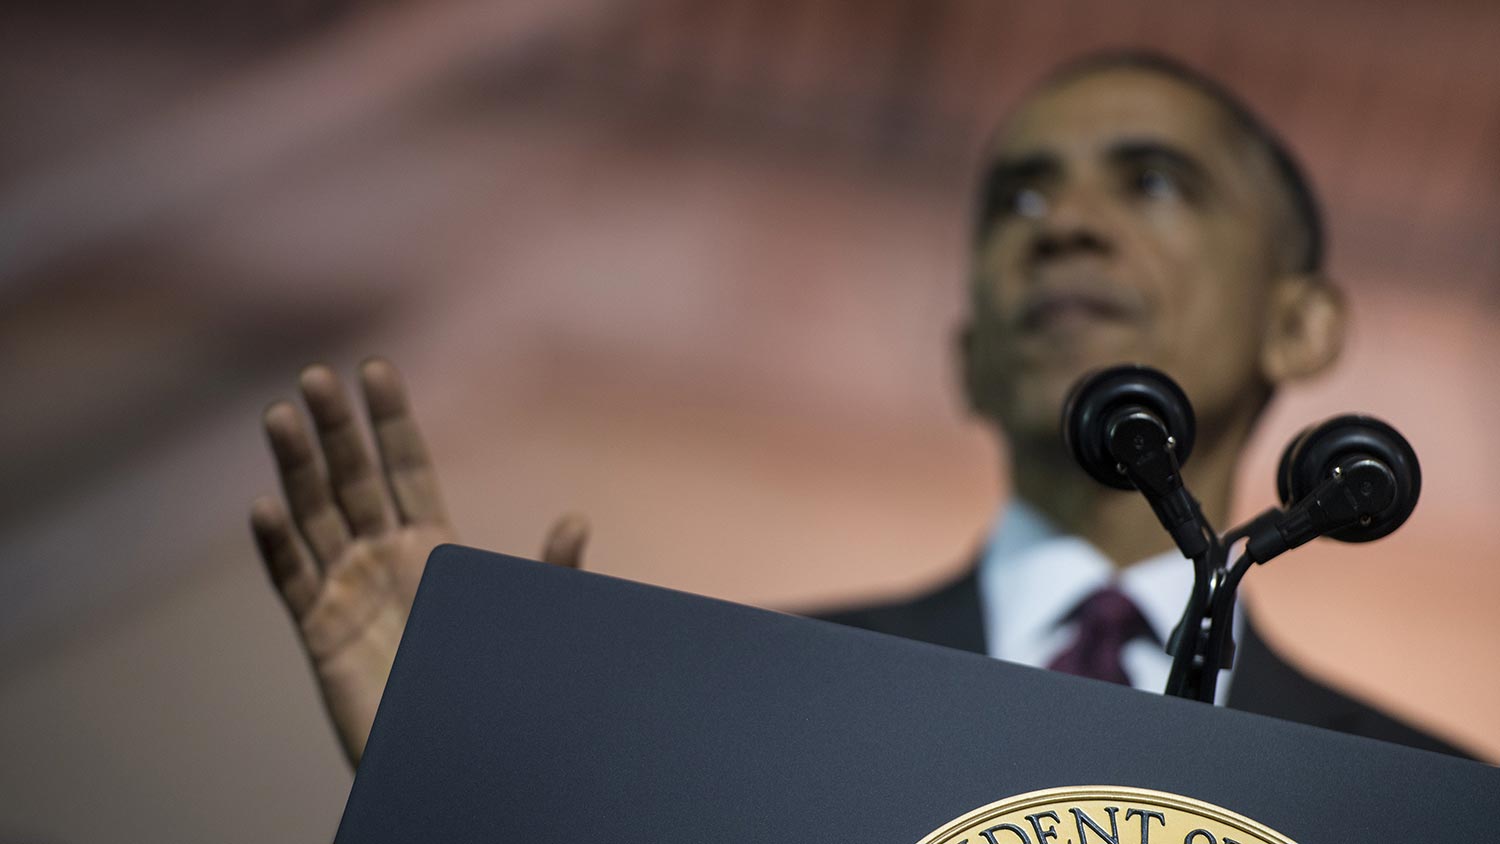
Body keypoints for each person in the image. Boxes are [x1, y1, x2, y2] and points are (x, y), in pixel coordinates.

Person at [249, 51, 1473, 766]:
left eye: (1154, 183)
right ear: (966, 354)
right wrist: (466, 798)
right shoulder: (711, 720)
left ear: (1301, 324)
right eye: (1020, 204)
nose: (1071, 231)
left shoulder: (1432, 804)